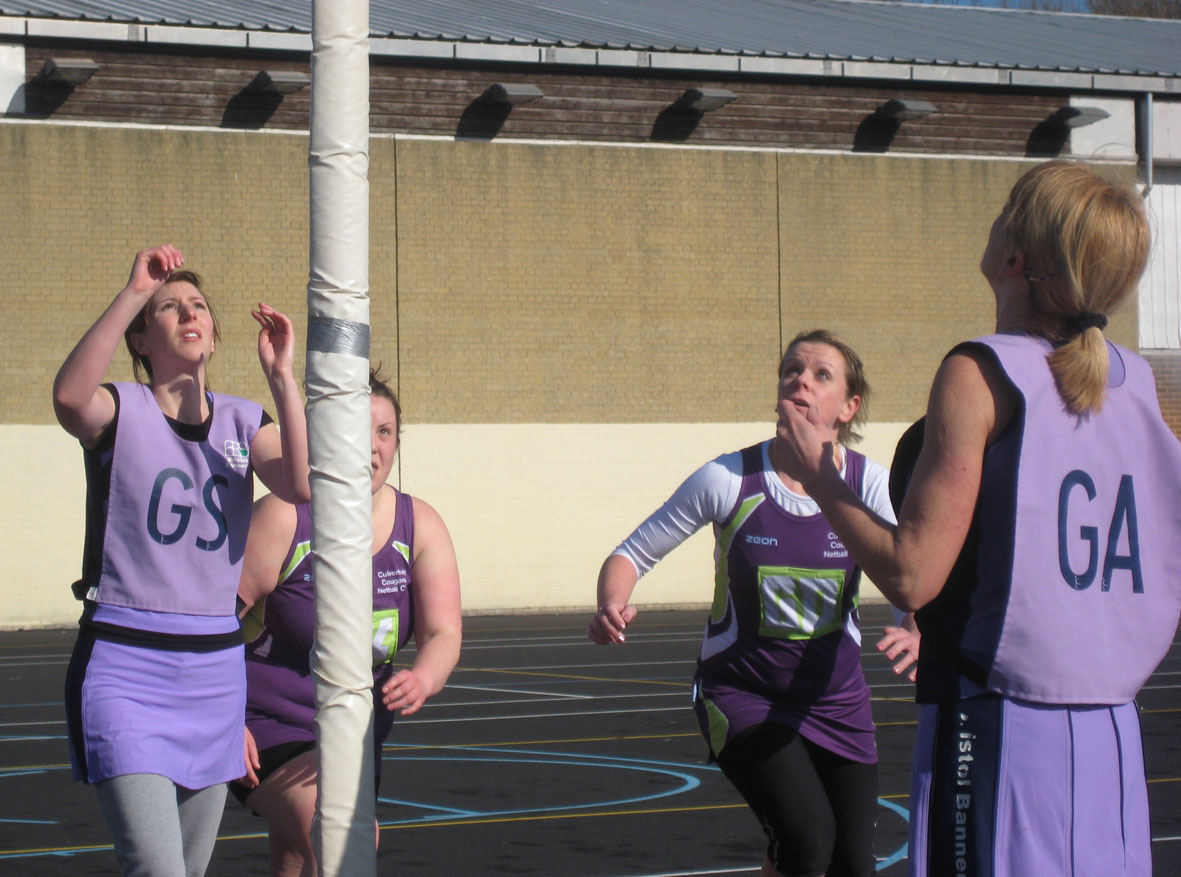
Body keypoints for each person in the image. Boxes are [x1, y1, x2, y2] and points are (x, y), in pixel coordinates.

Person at [774, 160, 1181, 876]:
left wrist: (819, 477)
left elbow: (911, 572)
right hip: (1112, 733)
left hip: (997, 721)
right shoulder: (1138, 383)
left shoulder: (982, 372)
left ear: (1014, 257)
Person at [588, 329, 918, 877]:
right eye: (792, 369)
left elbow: (910, 572)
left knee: (852, 864)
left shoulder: (870, 484)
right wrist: (611, 602)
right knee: (809, 841)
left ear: (848, 407)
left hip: (837, 703)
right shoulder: (729, 478)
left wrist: (912, 623)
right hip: (743, 695)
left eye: (821, 374)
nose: (801, 380)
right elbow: (631, 553)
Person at [54, 245, 311, 876]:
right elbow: (68, 397)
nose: (188, 312)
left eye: (197, 305)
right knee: (157, 868)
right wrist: (135, 292)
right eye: (169, 308)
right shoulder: (121, 409)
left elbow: (302, 485)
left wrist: (283, 375)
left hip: (214, 678)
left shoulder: (245, 420)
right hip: (126, 668)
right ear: (143, 339)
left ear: (215, 336)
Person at [232, 369, 462, 877]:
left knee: (296, 856)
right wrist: (222, 717)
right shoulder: (286, 517)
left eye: (385, 431)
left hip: (353, 729)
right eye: (360, 428)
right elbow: (214, 622)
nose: (373, 444)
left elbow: (444, 633)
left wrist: (424, 676)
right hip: (266, 720)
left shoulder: (418, 524)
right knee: (340, 843)